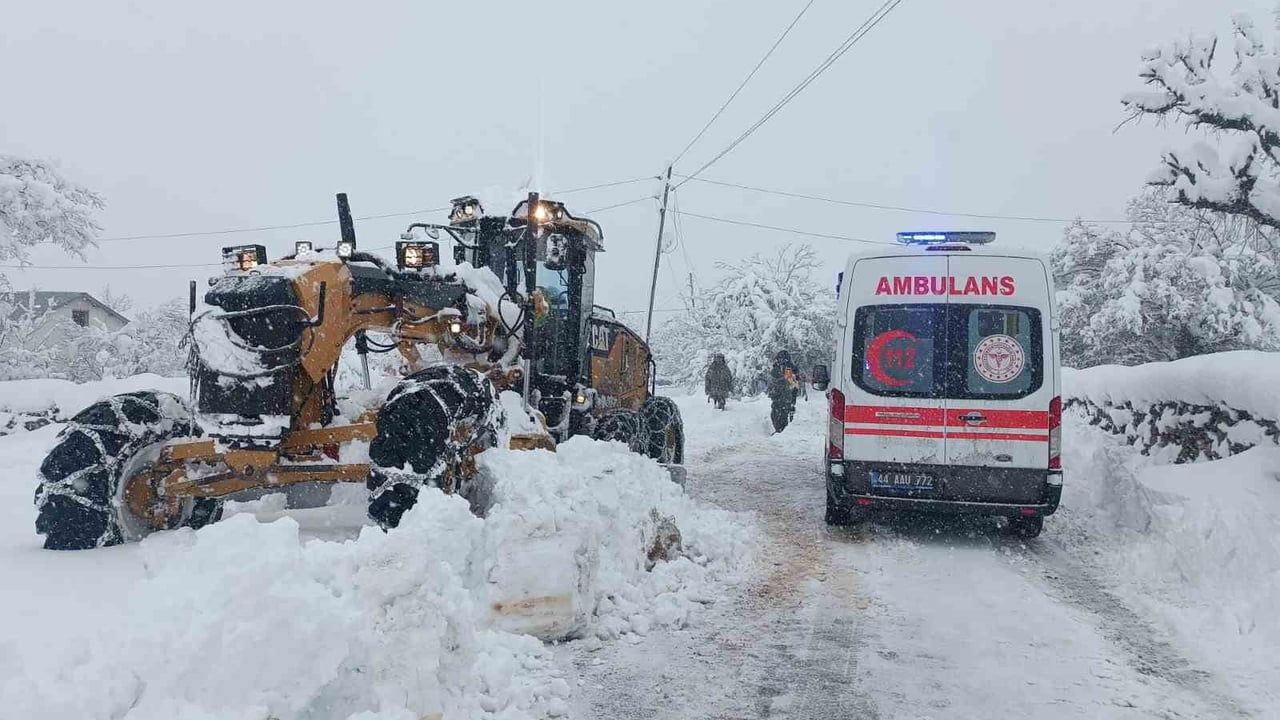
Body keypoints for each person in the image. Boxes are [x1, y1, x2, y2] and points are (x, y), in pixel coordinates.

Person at [767, 350, 800, 432]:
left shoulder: (788, 368)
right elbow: (793, 384)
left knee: (781, 415)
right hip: (780, 398)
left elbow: (791, 383)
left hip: (784, 398)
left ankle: (781, 431)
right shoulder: (778, 368)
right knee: (778, 414)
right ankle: (780, 430)